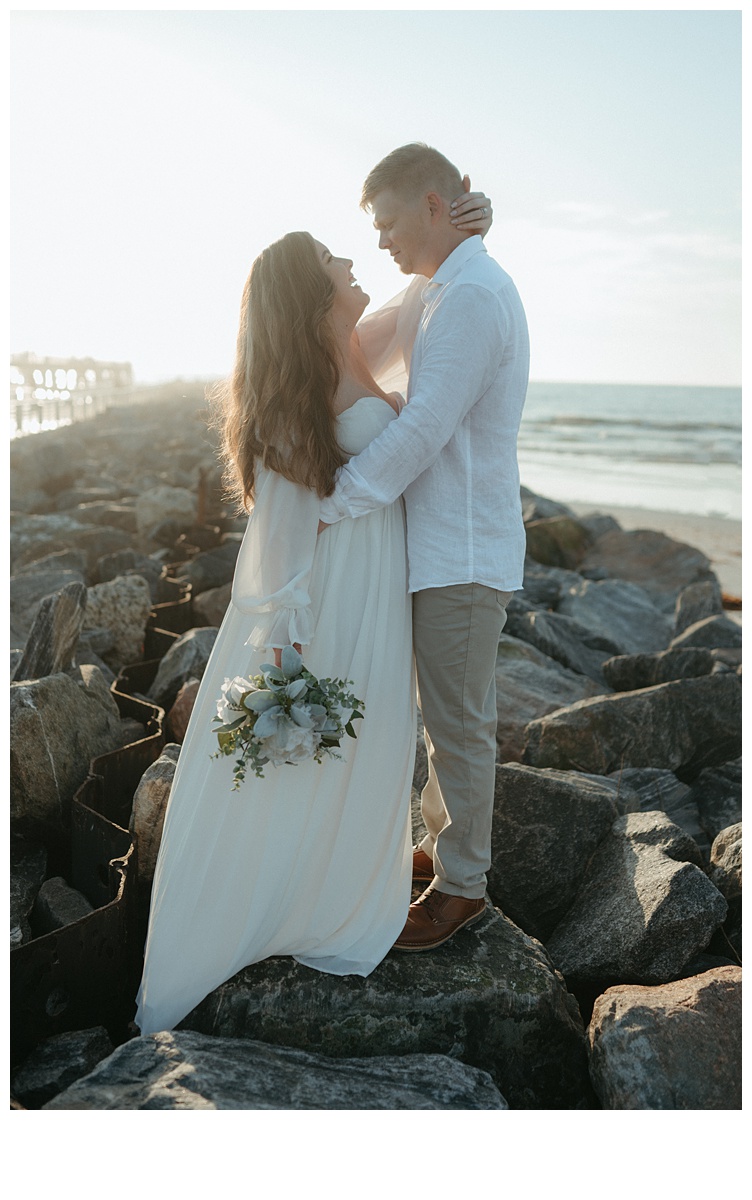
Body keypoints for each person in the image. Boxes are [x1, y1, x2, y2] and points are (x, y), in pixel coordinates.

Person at [135, 185, 491, 1035]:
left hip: (375, 588)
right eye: (337, 259)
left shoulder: (362, 340)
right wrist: (287, 659)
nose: (352, 261)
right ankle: (282, 905)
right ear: (311, 288)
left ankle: (338, 881)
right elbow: (281, 538)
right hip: (329, 604)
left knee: (369, 750)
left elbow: (430, 293)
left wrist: (468, 231)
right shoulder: (297, 399)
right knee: (318, 749)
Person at [319, 143, 530, 953]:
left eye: (387, 222)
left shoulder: (473, 297)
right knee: (440, 716)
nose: (379, 243)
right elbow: (351, 345)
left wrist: (334, 505)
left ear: (434, 207)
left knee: (459, 723)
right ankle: (445, 847)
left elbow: (423, 431)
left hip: (464, 552)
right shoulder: (435, 289)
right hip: (434, 546)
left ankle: (463, 885)